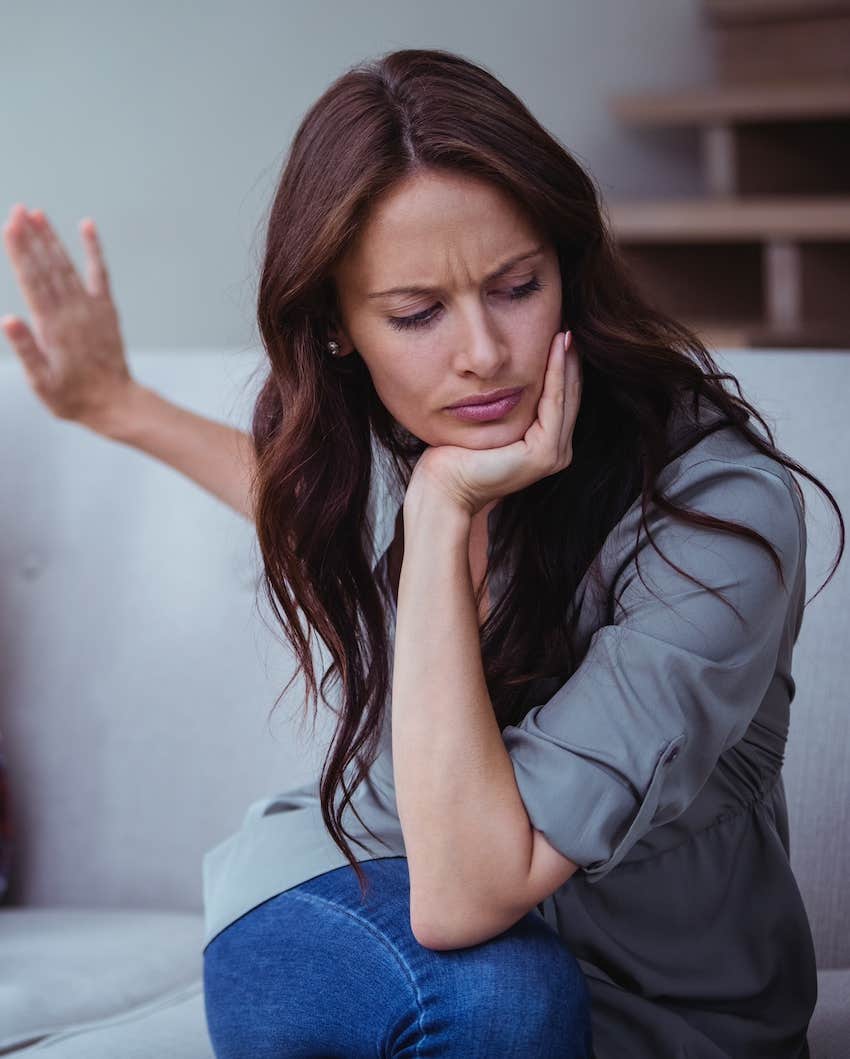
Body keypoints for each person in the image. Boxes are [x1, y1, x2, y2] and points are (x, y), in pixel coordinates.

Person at [3, 45, 843, 1059]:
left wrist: (441, 512)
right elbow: (295, 499)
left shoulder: (716, 513)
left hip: (658, 1001)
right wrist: (117, 407)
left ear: (568, 272)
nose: (481, 353)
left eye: (515, 286)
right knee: (501, 1002)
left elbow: (472, 892)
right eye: (415, 314)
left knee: (515, 999)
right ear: (338, 330)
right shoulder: (409, 451)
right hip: (347, 892)